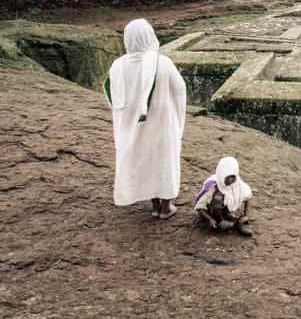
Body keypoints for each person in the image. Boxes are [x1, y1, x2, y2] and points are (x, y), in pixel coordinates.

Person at [104, 19, 186, 219]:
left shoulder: (117, 66)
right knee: (163, 161)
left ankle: (155, 204)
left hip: (134, 126)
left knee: (144, 160)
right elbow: (180, 90)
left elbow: (112, 98)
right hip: (161, 124)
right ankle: (166, 207)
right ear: (149, 36)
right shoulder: (162, 62)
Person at [194, 157, 254, 237]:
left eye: (233, 177)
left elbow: (248, 197)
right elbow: (199, 207)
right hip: (211, 211)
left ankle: (237, 221)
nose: (231, 180)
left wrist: (245, 216)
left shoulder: (238, 185)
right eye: (227, 177)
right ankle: (219, 220)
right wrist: (210, 219)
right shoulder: (213, 187)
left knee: (225, 199)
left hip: (224, 209)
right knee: (218, 198)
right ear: (221, 175)